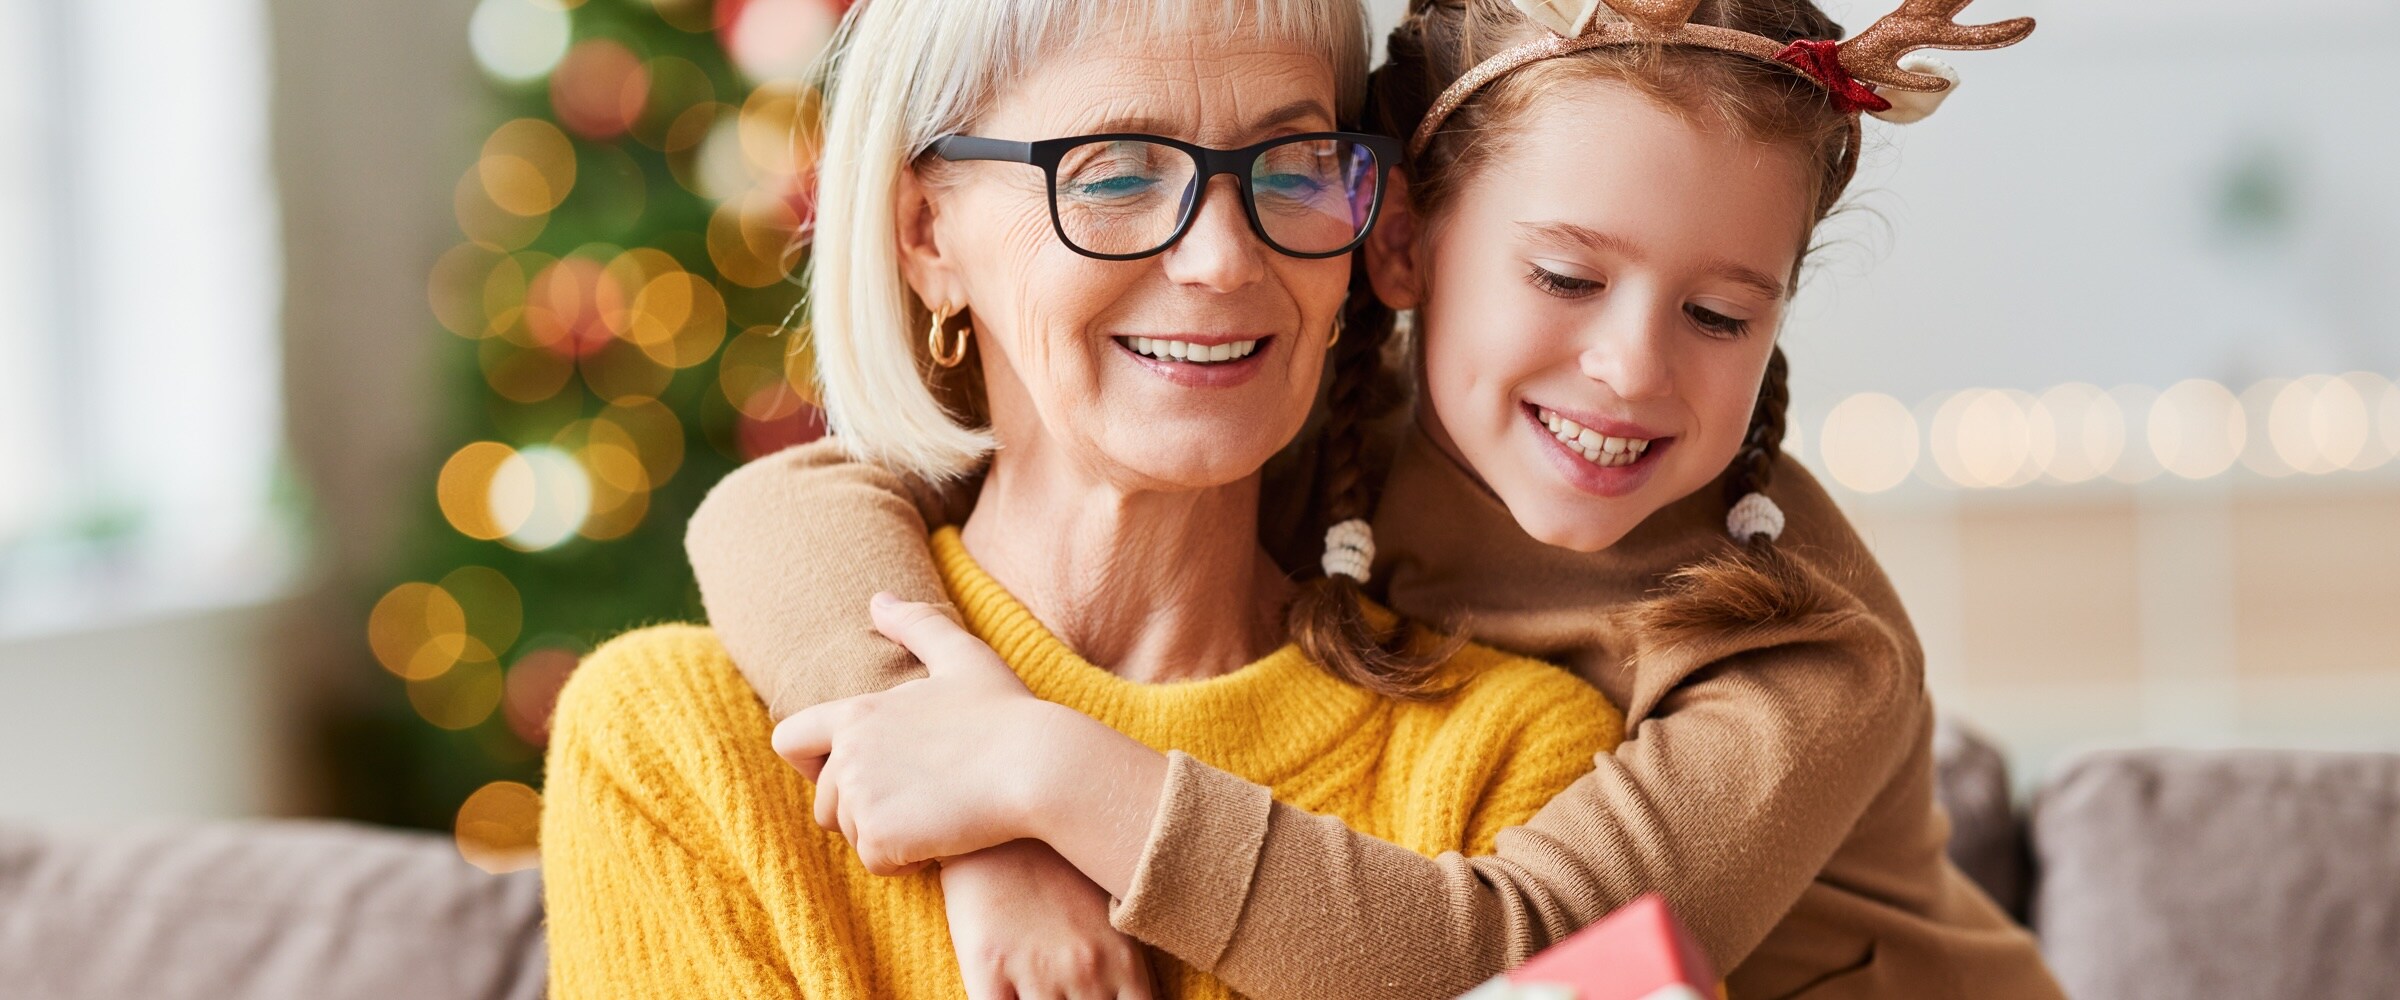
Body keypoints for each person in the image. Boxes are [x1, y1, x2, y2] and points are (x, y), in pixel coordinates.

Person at [689, 1, 2067, 998]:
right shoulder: (1308, 422)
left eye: (1716, 312)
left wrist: (1037, 773)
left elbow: (1504, 960)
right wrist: (965, 813)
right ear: (1398, 243)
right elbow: (779, 512)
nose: (1628, 368)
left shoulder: (1807, 654)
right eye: (1567, 279)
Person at [538, 1, 1630, 997]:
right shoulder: (681, 749)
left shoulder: (1514, 769)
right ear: (926, 233)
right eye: (1114, 174)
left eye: (1294, 167)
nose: (1221, 255)